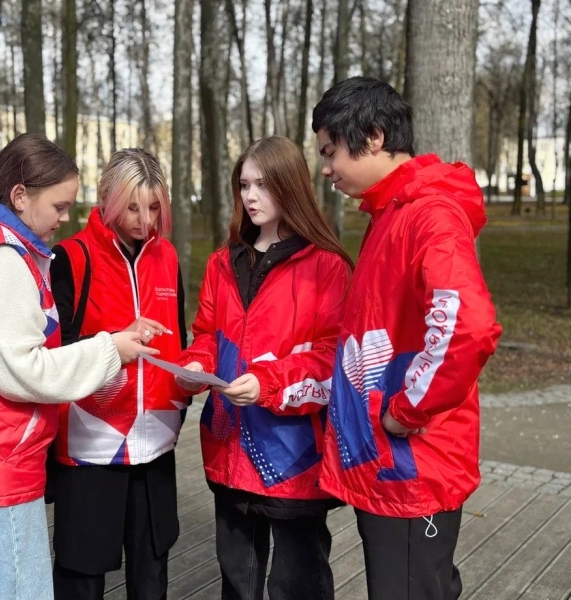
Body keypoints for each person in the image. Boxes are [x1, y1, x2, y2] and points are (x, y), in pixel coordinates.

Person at [0, 133, 156, 600]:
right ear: (20, 196)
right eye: (59, 206)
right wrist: (110, 351)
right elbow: (20, 369)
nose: (66, 218)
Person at [311, 76, 502, 600]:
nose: (326, 168)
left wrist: (406, 411)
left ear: (373, 136)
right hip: (387, 465)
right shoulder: (389, 214)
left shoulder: (429, 215)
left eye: (331, 151)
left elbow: (466, 325)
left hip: (415, 466)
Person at [175, 136, 353, 600]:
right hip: (227, 446)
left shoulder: (327, 266)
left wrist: (269, 383)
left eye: (262, 185)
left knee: (298, 584)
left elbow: (333, 360)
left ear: (290, 186)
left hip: (292, 456)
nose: (250, 196)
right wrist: (193, 365)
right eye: (244, 185)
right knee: (237, 579)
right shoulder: (221, 261)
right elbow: (208, 334)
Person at [49, 148, 188, 600]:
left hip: (156, 445)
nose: (144, 220)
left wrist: (189, 380)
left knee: (152, 575)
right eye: (132, 206)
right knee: (81, 573)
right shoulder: (69, 259)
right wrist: (113, 343)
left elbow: (180, 340)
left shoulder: (167, 256)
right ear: (106, 196)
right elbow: (51, 358)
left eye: (153, 207)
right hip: (92, 447)